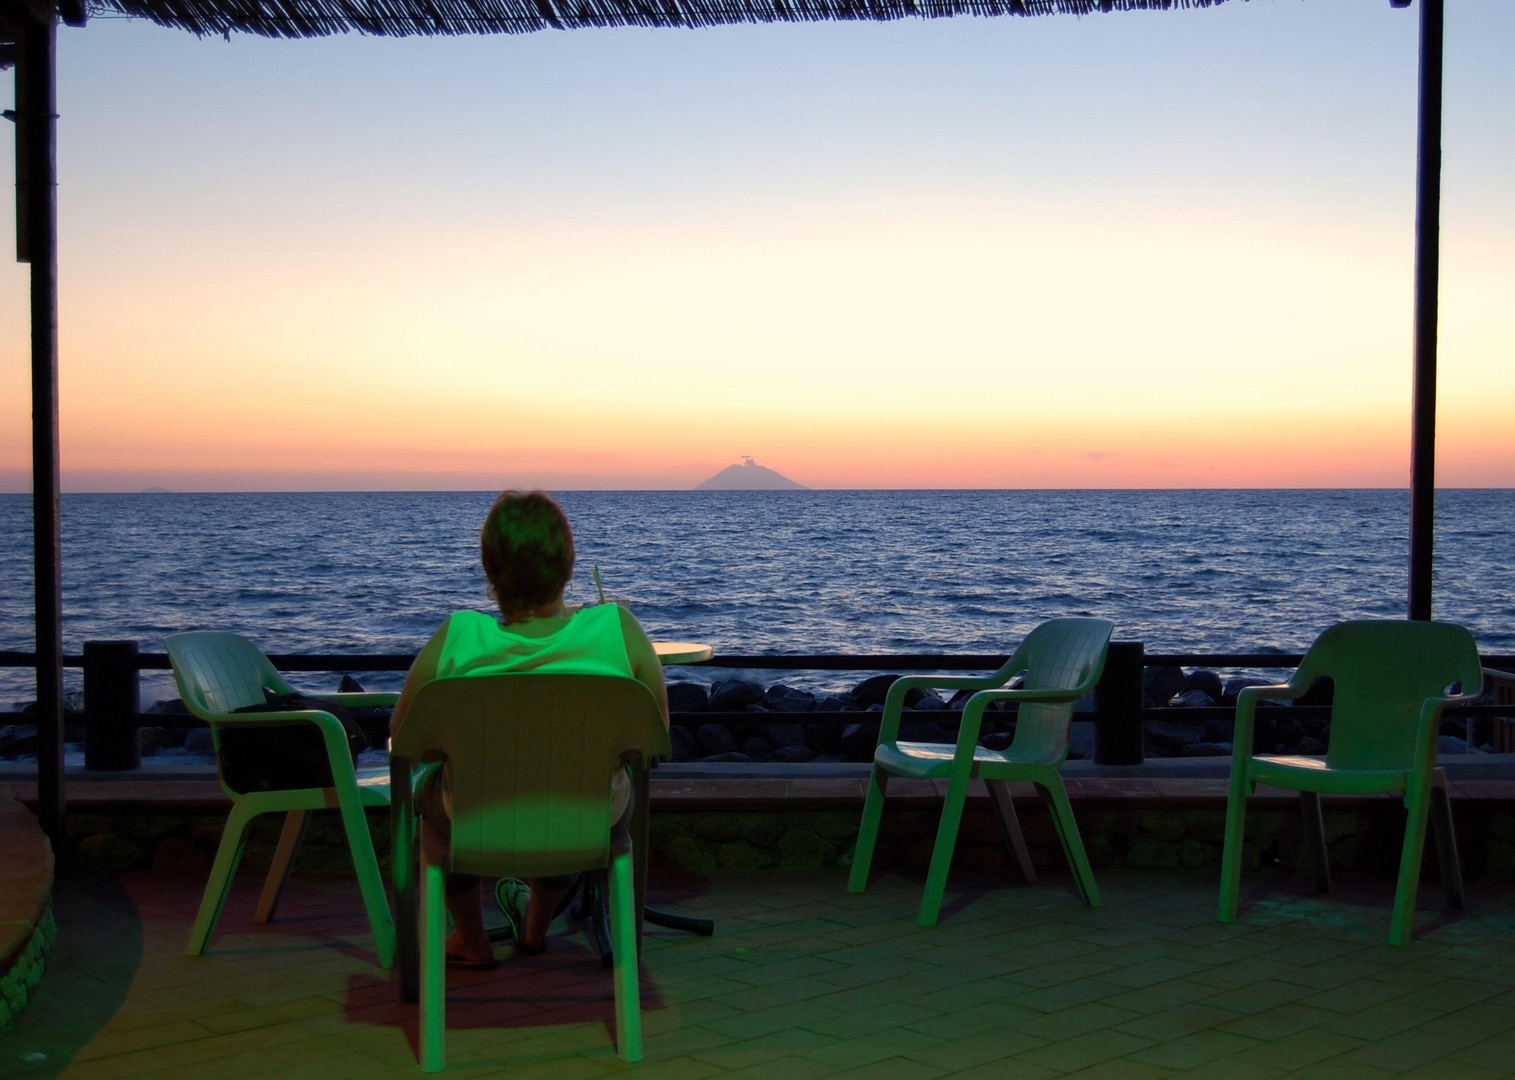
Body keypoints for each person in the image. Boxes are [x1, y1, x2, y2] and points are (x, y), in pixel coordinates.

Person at [389, 490, 669, 968]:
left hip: (474, 817)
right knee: (568, 791)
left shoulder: (458, 637)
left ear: (490, 570)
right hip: (588, 816)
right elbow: (654, 739)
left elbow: (405, 741)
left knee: (433, 809)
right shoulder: (618, 630)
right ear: (568, 563)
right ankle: (535, 930)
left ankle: (472, 940)